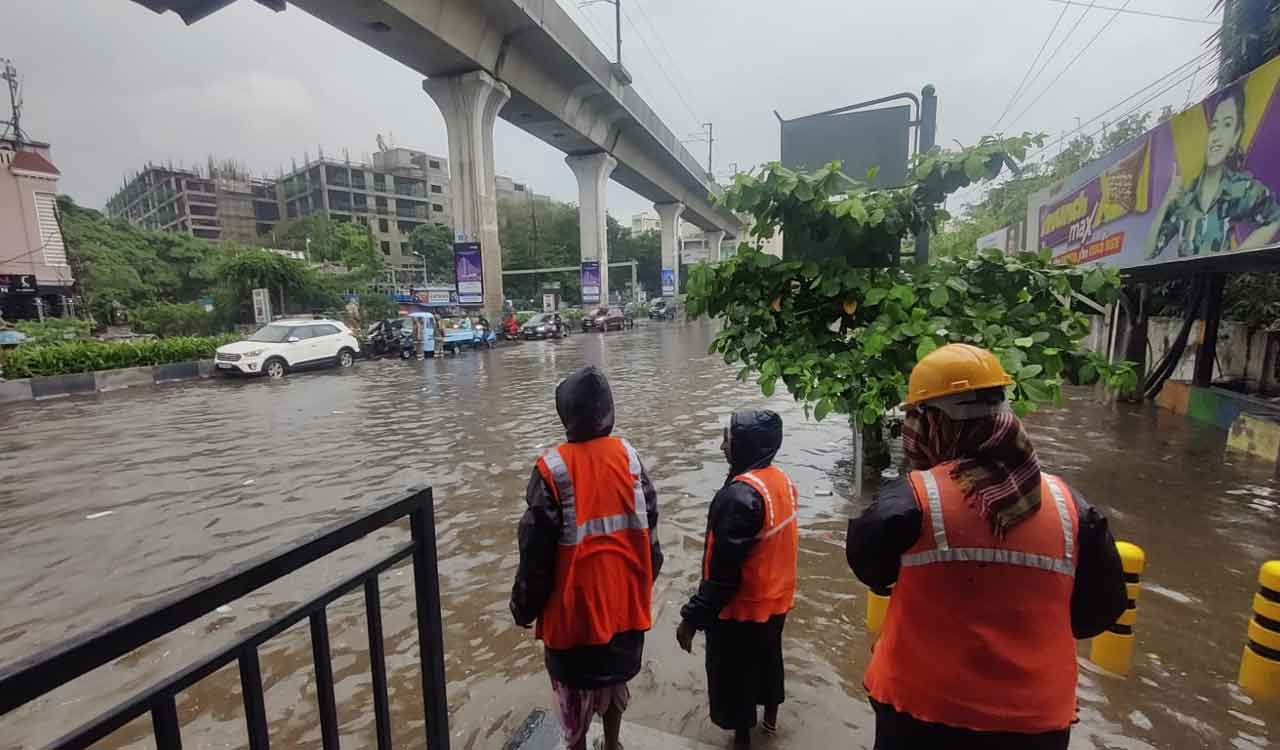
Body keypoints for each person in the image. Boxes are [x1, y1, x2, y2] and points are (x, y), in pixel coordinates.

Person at [845, 343, 1128, 750]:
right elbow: (1097, 611)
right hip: (1035, 722)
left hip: (922, 713)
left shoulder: (910, 501)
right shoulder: (1073, 509)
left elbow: (869, 567)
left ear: (933, 423)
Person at [511, 366, 663, 750]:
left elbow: (535, 554)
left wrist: (523, 608)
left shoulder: (552, 469)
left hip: (574, 619)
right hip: (625, 611)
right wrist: (638, 585)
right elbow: (652, 537)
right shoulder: (631, 458)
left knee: (572, 703)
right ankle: (612, 744)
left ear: (567, 415)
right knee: (614, 683)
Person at [676, 410, 798, 749]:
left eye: (728, 441)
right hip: (776, 601)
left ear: (745, 445)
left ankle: (742, 740)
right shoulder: (781, 481)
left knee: (734, 678)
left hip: (741, 611)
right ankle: (771, 725)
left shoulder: (738, 498)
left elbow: (722, 576)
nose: (721, 447)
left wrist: (691, 618)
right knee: (769, 660)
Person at [1148, 85, 1280, 259]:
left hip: (1218, 279)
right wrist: (1167, 200)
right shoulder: (1186, 197)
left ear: (1236, 135)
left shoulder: (1241, 188)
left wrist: (1239, 257)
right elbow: (1150, 252)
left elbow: (1274, 218)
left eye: (1227, 125)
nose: (1217, 136)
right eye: (1214, 127)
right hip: (1184, 279)